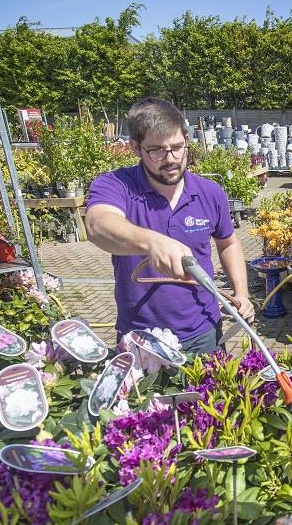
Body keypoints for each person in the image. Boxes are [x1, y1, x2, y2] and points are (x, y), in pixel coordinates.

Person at [85, 97, 256, 354]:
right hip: (141, 337)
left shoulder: (210, 192)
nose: (170, 159)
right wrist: (153, 242)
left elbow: (228, 242)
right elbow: (98, 224)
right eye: (156, 150)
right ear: (135, 148)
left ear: (187, 140)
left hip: (203, 330)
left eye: (177, 147)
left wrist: (241, 293)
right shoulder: (116, 185)